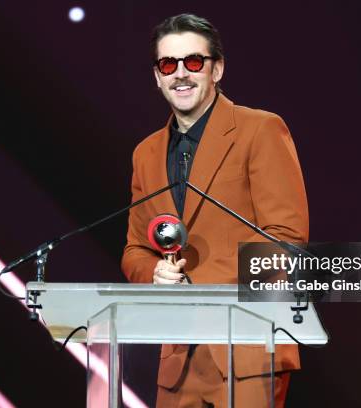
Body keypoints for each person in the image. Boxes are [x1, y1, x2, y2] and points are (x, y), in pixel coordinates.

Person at [121, 13, 309, 407]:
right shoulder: (146, 153)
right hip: (179, 357)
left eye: (193, 62)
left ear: (216, 69)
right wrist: (153, 273)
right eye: (168, 65)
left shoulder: (260, 129)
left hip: (248, 348)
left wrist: (203, 285)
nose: (180, 75)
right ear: (157, 76)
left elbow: (287, 239)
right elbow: (136, 250)